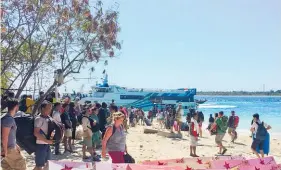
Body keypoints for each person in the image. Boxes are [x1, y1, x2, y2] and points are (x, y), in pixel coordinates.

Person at [1, 98, 27, 170]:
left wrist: (15, 144)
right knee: (21, 165)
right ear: (16, 106)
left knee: (7, 168)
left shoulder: (4, 117)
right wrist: (5, 151)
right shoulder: (8, 119)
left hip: (7, 148)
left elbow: (8, 135)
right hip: (8, 149)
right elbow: (4, 136)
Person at [33, 100, 54, 170]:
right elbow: (36, 133)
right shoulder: (39, 119)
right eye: (48, 108)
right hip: (40, 145)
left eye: (51, 109)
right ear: (42, 108)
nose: (50, 111)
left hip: (47, 144)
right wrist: (47, 141)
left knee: (48, 163)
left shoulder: (48, 118)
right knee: (39, 165)